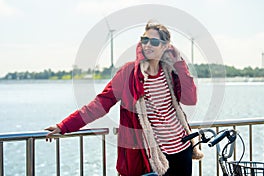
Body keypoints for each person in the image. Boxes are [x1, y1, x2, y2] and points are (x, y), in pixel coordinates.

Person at [45, 21, 203, 176]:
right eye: (144, 40)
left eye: (154, 42)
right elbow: (100, 104)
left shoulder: (170, 71)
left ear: (165, 46)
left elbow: (190, 99)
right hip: (154, 155)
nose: (147, 45)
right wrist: (64, 125)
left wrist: (179, 64)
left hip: (182, 147)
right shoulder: (128, 73)